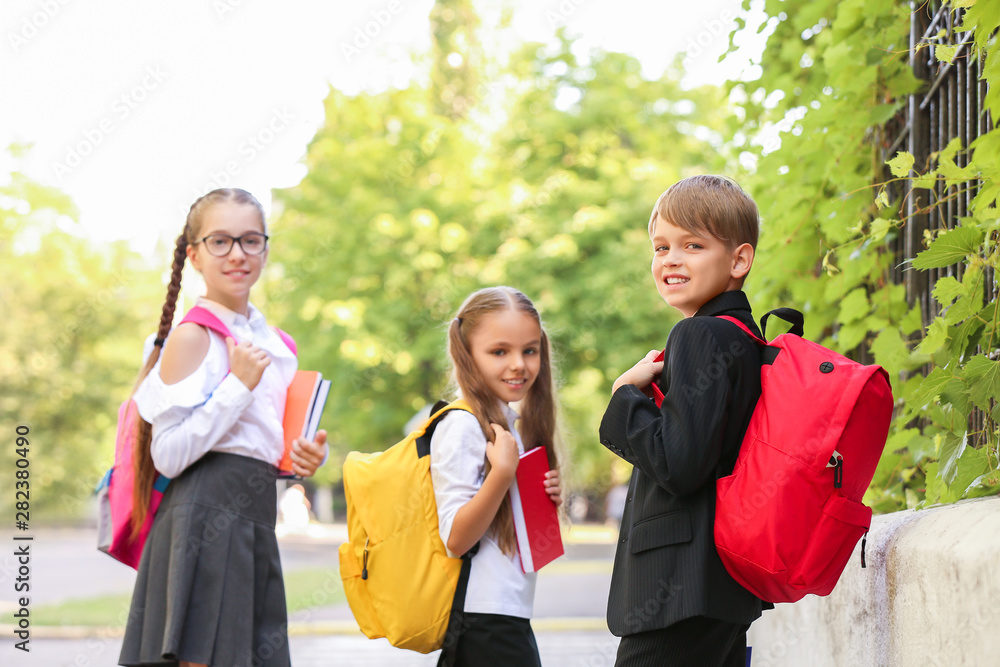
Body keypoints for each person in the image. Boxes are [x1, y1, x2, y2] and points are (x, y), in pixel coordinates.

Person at [119, 188, 328, 667]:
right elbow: (167, 455)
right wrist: (237, 386)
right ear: (194, 255)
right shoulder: (192, 336)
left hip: (255, 516)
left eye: (250, 240)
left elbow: (262, 444)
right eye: (220, 241)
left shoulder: (278, 344)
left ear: (265, 249)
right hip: (203, 516)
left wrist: (305, 458)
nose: (237, 253)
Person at [599, 175, 768, 666]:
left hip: (680, 589)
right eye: (661, 246)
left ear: (739, 260)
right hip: (718, 586)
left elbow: (679, 463)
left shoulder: (698, 336)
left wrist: (625, 396)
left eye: (692, 244)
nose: (671, 258)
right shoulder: (743, 337)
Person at [430, 286, 563, 667]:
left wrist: (538, 495)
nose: (519, 364)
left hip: (508, 614)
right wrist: (503, 474)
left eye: (530, 350)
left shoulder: (508, 425)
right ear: (466, 355)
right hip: (482, 619)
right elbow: (456, 538)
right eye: (499, 352)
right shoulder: (462, 426)